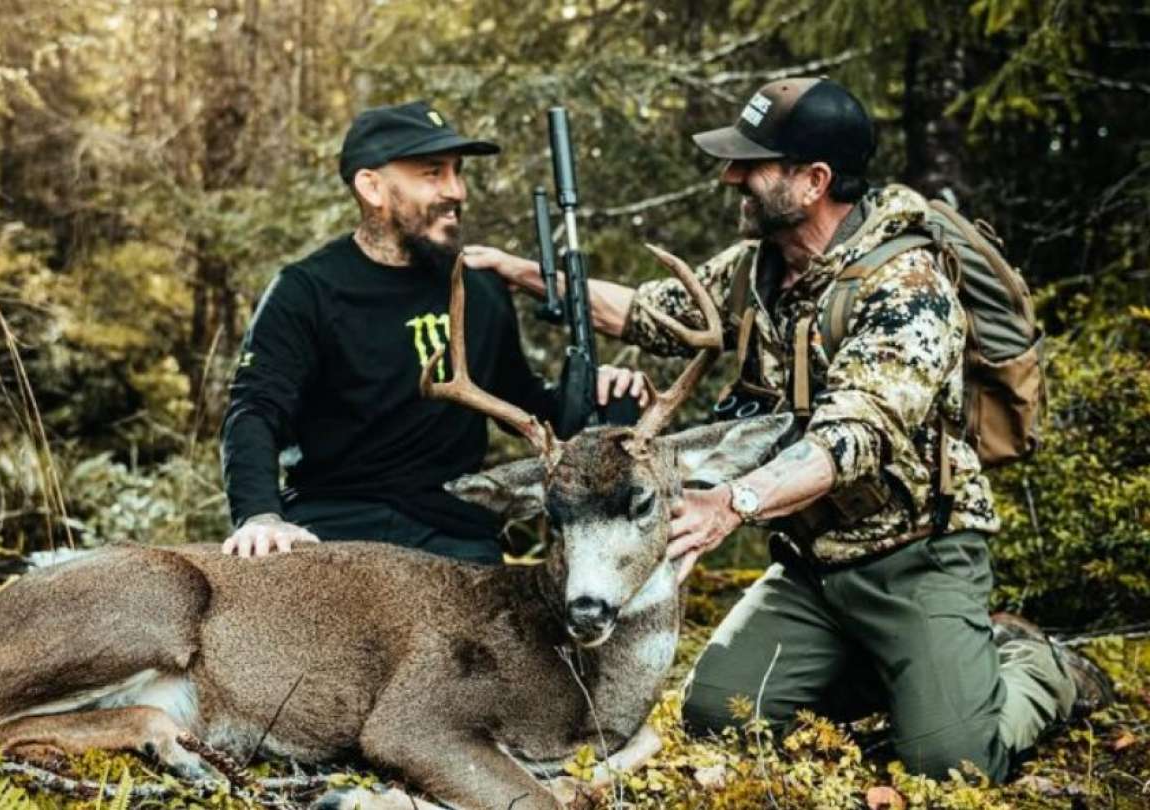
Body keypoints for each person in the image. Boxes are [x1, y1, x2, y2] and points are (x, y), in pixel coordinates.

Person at [464, 78, 1114, 781]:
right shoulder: (758, 269)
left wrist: (732, 503)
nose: (731, 176)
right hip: (811, 568)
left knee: (953, 759)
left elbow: (852, 437)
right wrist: (517, 270)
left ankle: (1035, 664)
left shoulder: (908, 287)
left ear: (813, 181)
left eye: (753, 164)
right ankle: (915, 675)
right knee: (716, 714)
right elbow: (649, 313)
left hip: (916, 559)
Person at [220, 100, 646, 563]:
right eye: (433, 173)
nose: (457, 190)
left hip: (454, 530)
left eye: (458, 172)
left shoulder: (479, 287)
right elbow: (255, 411)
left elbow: (520, 402)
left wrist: (588, 395)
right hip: (336, 522)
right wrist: (260, 515)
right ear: (373, 188)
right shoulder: (306, 290)